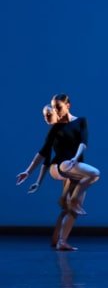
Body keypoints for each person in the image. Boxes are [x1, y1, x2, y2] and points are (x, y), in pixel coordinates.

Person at [17, 94, 100, 250]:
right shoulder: (55, 129)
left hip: (74, 168)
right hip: (60, 167)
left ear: (68, 106)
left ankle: (61, 241)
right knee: (92, 174)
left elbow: (84, 142)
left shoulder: (81, 121)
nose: (56, 111)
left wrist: (76, 157)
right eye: (54, 108)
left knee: (72, 209)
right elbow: (43, 154)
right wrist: (28, 172)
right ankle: (70, 200)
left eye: (58, 108)